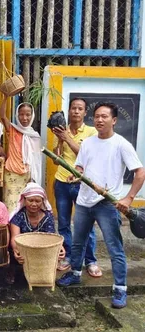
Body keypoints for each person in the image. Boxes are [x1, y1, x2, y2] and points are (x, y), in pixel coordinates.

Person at [57, 102, 145, 309]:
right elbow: (81, 165)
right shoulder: (88, 143)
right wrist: (76, 174)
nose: (99, 120)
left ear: (114, 120)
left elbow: (140, 173)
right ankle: (76, 274)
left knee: (114, 247)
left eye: (104, 116)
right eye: (97, 116)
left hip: (107, 203)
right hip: (84, 201)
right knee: (78, 242)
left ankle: (120, 289)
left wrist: (128, 198)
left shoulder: (121, 144)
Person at [52, 98, 100, 275]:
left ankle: (91, 261)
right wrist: (59, 140)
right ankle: (69, 257)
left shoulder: (91, 132)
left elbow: (86, 155)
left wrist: (67, 138)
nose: (76, 112)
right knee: (63, 223)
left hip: (82, 184)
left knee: (86, 224)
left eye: (80, 109)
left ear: (85, 112)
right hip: (62, 182)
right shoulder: (62, 131)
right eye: (73, 108)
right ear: (69, 110)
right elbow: (56, 157)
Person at [9, 182, 65, 282]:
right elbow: (14, 237)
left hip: (42, 254)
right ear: (25, 200)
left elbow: (51, 237)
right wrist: (16, 250)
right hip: (24, 253)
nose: (34, 204)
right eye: (30, 200)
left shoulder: (47, 217)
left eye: (38, 201)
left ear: (42, 202)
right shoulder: (18, 216)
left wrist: (59, 247)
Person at [0, 101, 42, 213]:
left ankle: (22, 231)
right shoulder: (13, 130)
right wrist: (6, 97)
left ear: (32, 116)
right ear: (17, 116)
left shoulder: (35, 136)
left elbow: (36, 161)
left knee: (25, 207)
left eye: (28, 114)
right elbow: (2, 115)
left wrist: (33, 178)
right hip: (12, 174)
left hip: (28, 176)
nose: (24, 118)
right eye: (21, 114)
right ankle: (10, 230)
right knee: (11, 206)